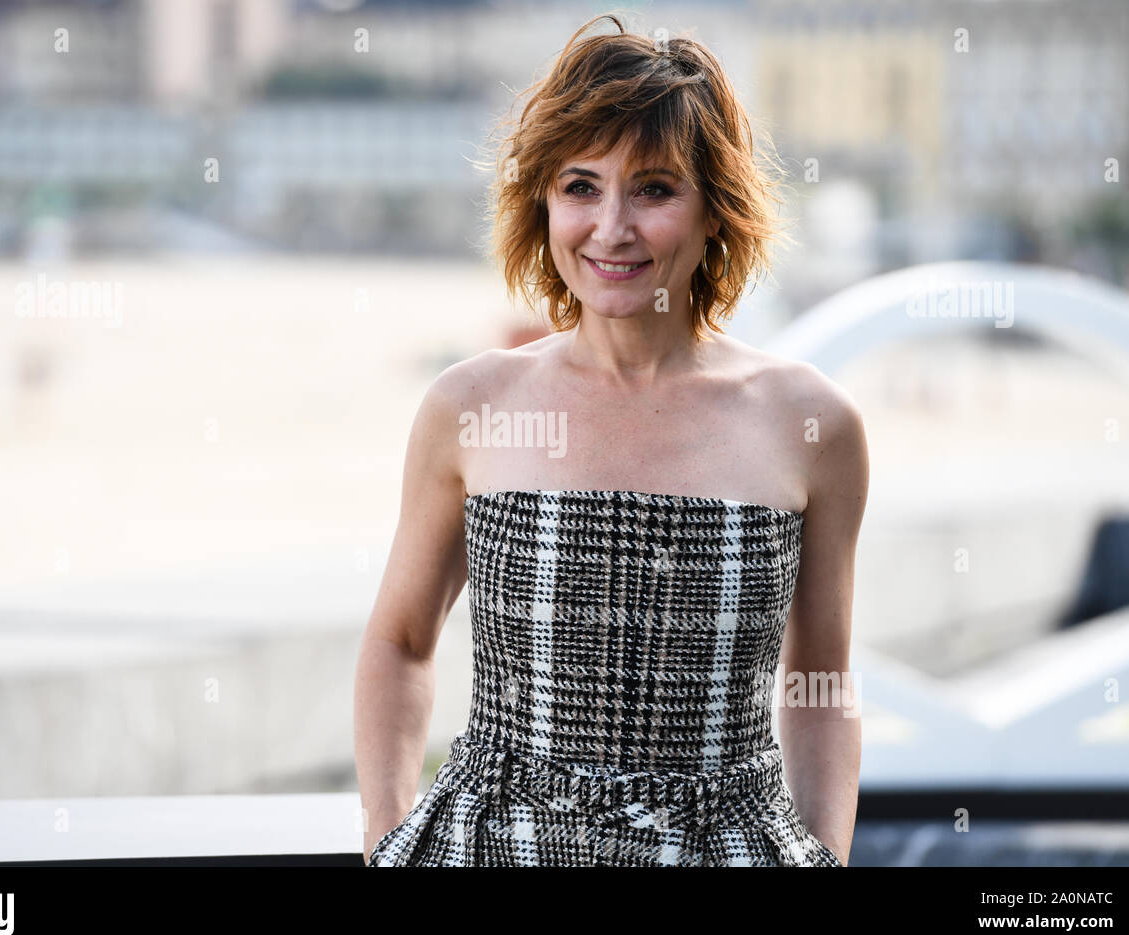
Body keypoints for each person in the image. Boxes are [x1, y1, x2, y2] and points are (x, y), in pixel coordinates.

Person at [354, 12, 867, 866]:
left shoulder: (812, 424)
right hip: (491, 848)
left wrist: (826, 856)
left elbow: (818, 681)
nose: (612, 228)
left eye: (656, 189)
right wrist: (384, 836)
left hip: (727, 848)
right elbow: (400, 641)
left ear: (717, 213)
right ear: (543, 204)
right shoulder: (471, 403)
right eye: (580, 186)